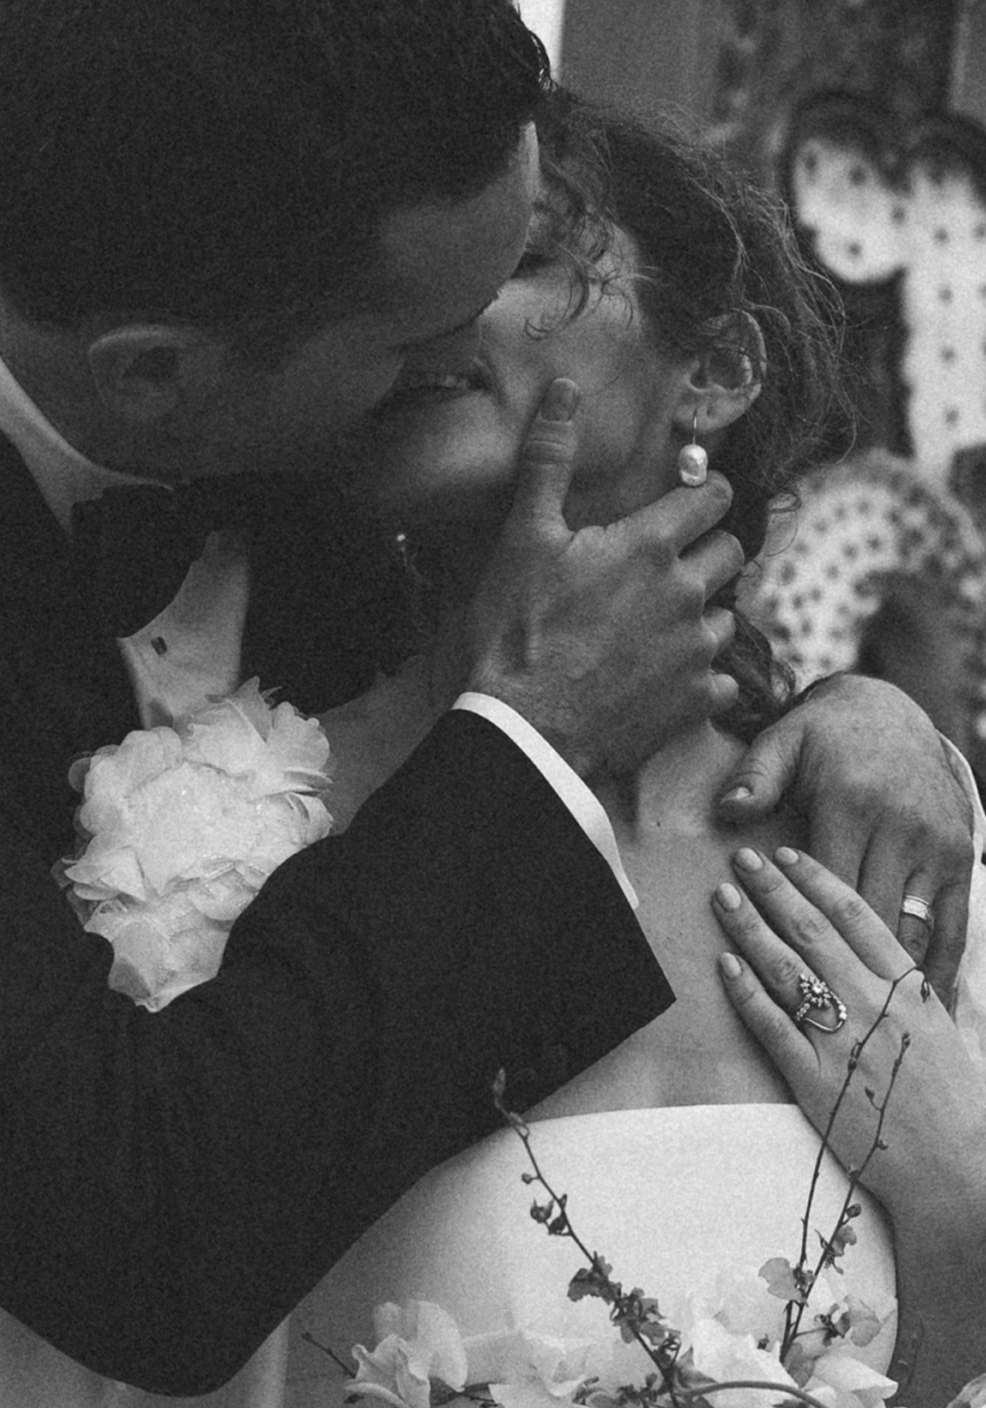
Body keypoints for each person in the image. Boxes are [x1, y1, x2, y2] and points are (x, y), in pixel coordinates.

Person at [0, 0, 976, 1404]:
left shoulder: (359, 475)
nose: (464, 340)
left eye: (533, 256)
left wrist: (875, 725)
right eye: (418, 335)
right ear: (159, 374)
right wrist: (537, 741)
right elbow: (124, 1227)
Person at [267, 95, 983, 1408]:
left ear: (713, 371)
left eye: (524, 258)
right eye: (399, 273)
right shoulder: (236, 833)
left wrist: (965, 1220)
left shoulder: (911, 866)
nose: (436, 309)